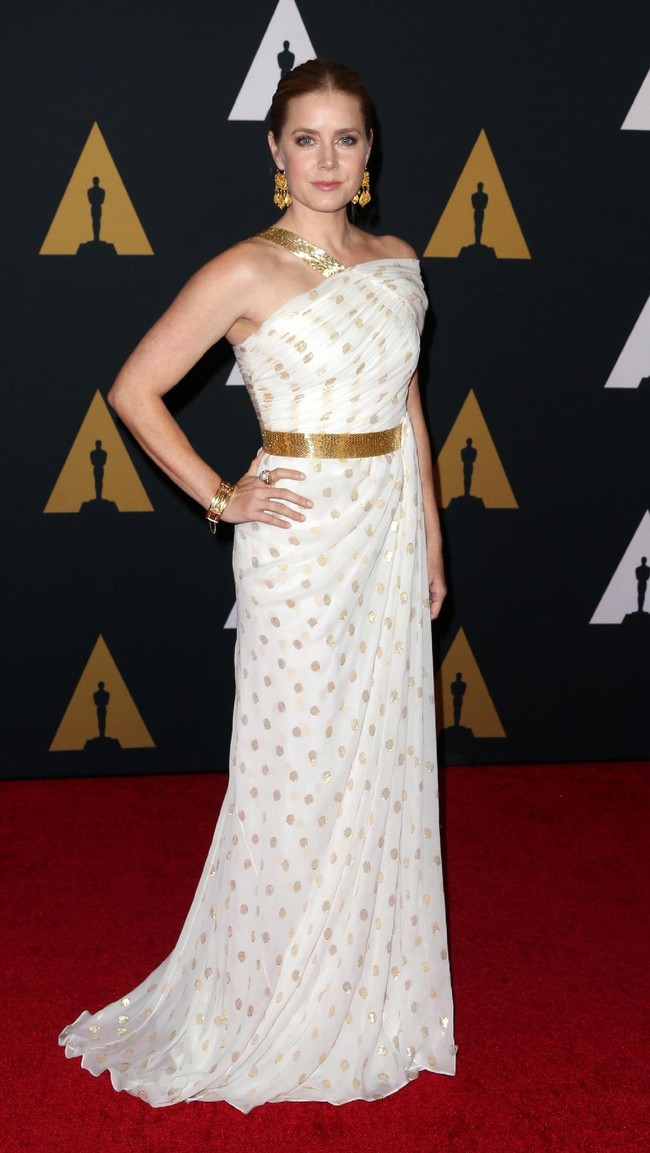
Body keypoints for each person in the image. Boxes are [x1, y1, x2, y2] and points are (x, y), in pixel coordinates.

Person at [59, 59, 456, 1112]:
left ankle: (360, 982)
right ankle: (262, 992)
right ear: (274, 154)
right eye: (307, 139)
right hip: (299, 536)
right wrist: (219, 494)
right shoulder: (242, 270)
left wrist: (428, 539)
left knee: (377, 755)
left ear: (369, 157)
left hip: (381, 528)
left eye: (347, 139)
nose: (327, 159)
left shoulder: (398, 260)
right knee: (291, 766)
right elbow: (134, 390)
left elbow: (408, 404)